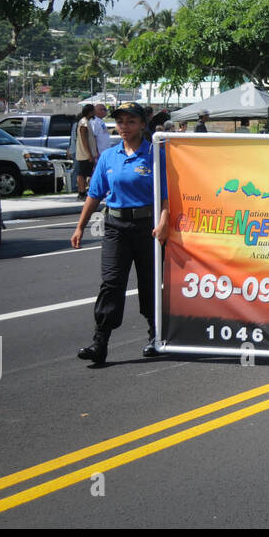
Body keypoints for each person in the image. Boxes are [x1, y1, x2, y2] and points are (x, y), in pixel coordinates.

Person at [71, 103, 171, 365]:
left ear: (142, 125)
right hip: (116, 226)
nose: (124, 127)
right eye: (121, 122)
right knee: (111, 283)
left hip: (147, 227)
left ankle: (156, 336)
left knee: (150, 283)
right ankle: (99, 342)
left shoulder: (155, 154)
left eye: (131, 122)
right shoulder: (108, 156)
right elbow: (95, 194)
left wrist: (163, 224)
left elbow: (167, 197)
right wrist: (80, 226)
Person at [74, 103, 99, 201]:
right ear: (90, 112)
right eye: (93, 111)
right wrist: (89, 154)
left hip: (87, 154)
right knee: (82, 174)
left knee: (85, 174)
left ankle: (83, 192)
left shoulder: (86, 122)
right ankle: (81, 193)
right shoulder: (84, 123)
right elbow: (84, 140)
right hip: (85, 155)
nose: (94, 113)